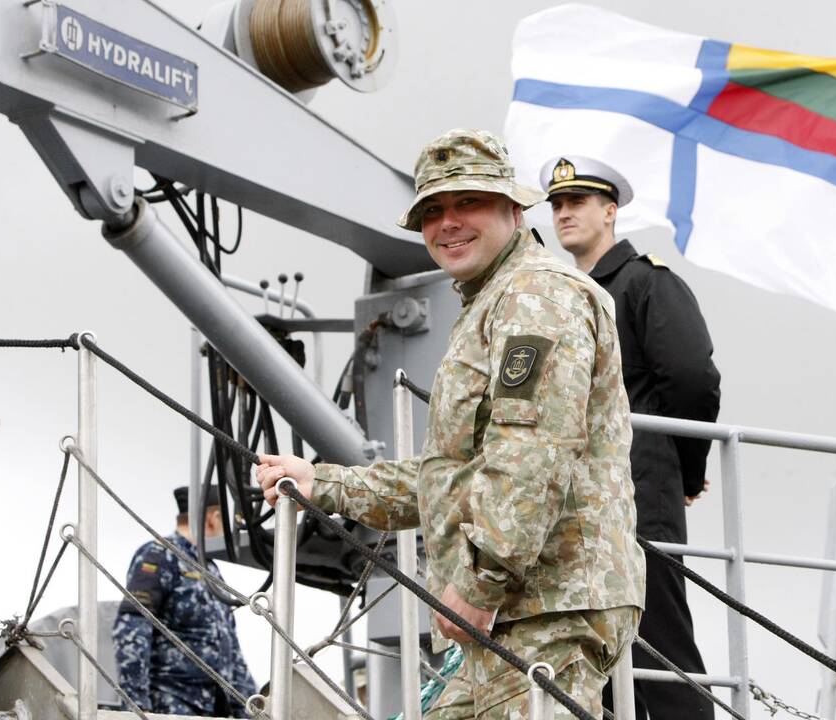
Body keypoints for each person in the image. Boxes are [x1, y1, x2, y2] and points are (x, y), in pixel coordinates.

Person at [257, 129, 645, 719]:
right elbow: (453, 477)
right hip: (511, 609)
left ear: (512, 209)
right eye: (433, 211)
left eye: (469, 202)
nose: (449, 223)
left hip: (544, 607)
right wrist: (324, 484)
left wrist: (480, 585)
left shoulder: (537, 296)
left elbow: (531, 454)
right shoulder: (492, 301)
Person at [541, 156, 721, 720]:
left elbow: (693, 380)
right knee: (599, 651)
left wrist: (685, 471)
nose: (564, 212)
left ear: (611, 211)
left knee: (659, 643)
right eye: (557, 205)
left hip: (641, 490)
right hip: (576, 503)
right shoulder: (565, 296)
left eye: (578, 203)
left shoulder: (646, 282)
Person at [113, 486, 256, 717]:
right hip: (172, 704)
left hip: (213, 708)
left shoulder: (211, 570)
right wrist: (136, 707)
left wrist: (251, 711)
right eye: (223, 521)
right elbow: (132, 627)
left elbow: (229, 646)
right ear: (213, 518)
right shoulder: (158, 556)